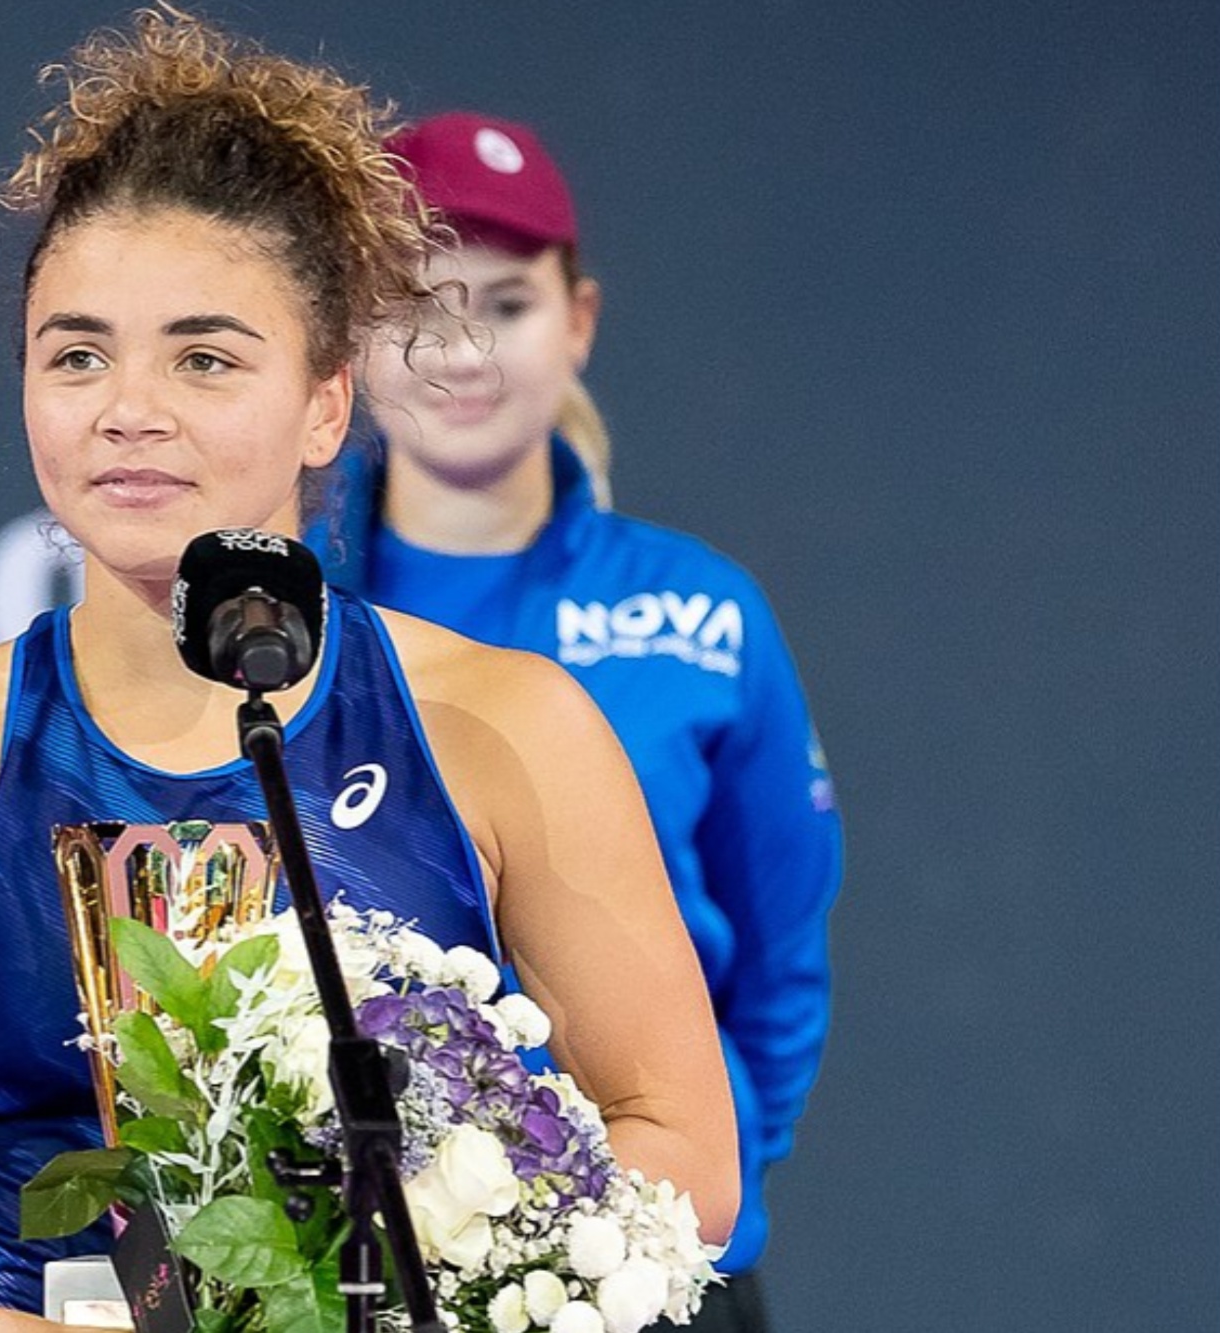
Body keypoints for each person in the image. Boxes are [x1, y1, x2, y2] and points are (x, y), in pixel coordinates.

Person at [0, 13, 737, 1330]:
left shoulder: (507, 727)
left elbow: (682, 1149)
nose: (127, 408)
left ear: (329, 399)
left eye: (204, 357)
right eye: (76, 353)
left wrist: (440, 1272)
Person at [308, 110, 845, 1333]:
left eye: (504, 304)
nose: (459, 348)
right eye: (414, 302)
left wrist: (691, 1192)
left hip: (650, 1275)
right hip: (354, 1280)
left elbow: (778, 947)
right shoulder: (283, 624)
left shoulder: (700, 612)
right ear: (348, 332)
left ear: (580, 322)